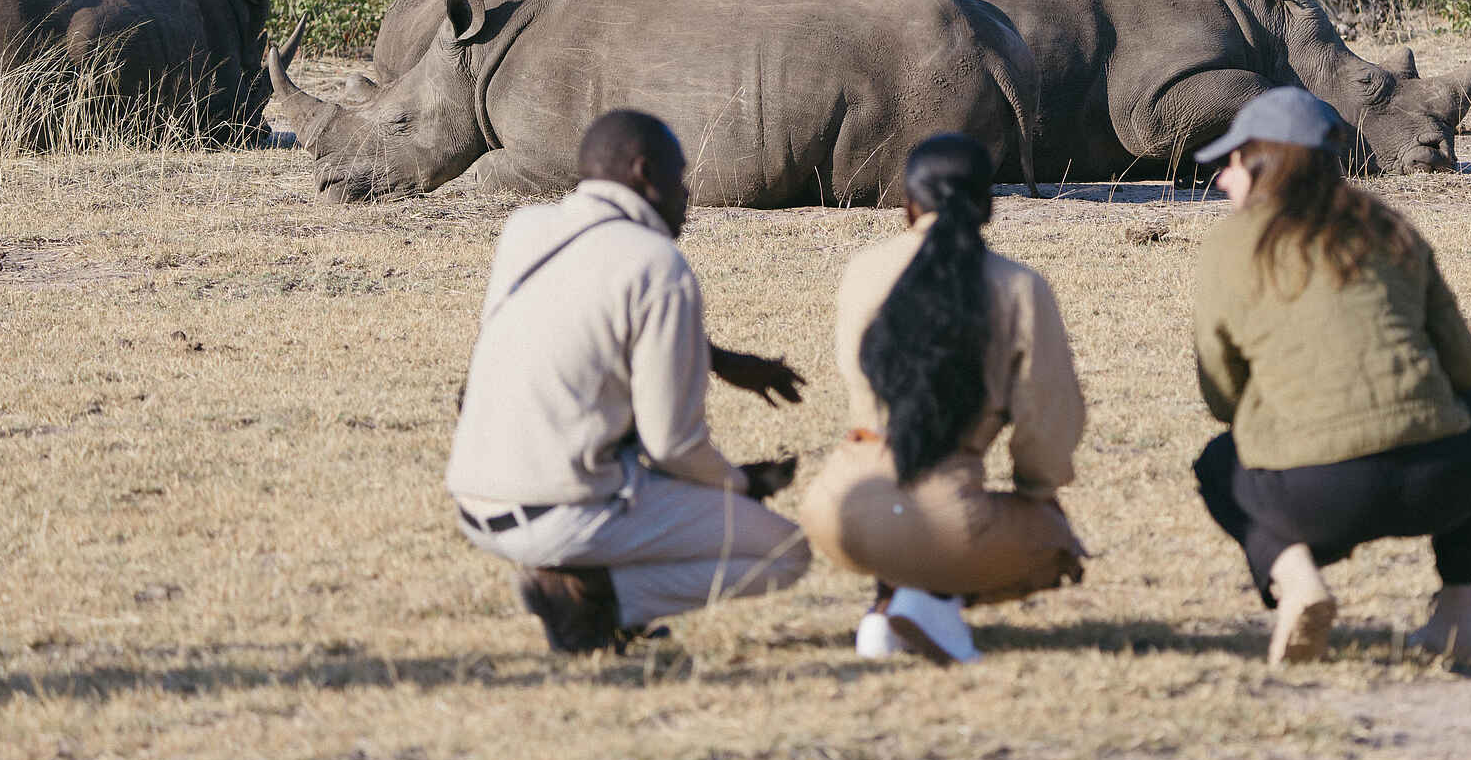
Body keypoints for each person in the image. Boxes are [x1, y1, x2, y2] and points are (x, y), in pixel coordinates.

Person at [446, 109, 812, 653]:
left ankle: (579, 583)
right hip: (559, 511)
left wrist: (718, 359)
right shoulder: (659, 265)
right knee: (787, 552)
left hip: (474, 500)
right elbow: (673, 446)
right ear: (644, 174)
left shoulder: (525, 230)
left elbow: (582, 323)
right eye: (679, 176)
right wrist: (743, 485)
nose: (687, 194)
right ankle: (595, 601)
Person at [1189, 87, 1471, 667]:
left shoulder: (1231, 244)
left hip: (1316, 499)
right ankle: (1458, 610)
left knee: (1216, 464)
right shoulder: (1389, 225)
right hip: (1444, 483)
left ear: (1262, 163)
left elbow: (1220, 395)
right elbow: (1463, 368)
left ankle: (1296, 580)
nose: (1224, 180)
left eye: (1232, 163)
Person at [797, 133, 1087, 665]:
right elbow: (1048, 419)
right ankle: (927, 600)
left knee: (902, 514)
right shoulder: (1019, 287)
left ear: (908, 203)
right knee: (1057, 546)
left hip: (839, 510)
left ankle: (887, 605)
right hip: (942, 511)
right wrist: (1037, 492)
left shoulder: (862, 270)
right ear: (988, 206)